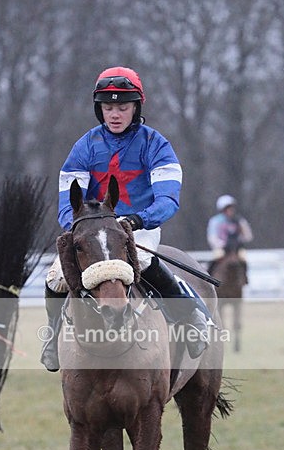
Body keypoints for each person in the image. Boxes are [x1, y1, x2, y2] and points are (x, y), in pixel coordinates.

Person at [41, 65, 209, 371]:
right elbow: (67, 204)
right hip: (93, 231)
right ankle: (52, 336)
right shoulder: (83, 147)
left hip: (138, 227)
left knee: (142, 261)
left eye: (122, 107)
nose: (115, 114)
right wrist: (82, 226)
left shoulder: (156, 144)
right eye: (108, 108)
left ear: (136, 108)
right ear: (99, 110)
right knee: (56, 276)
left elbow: (168, 200)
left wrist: (137, 220)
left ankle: (192, 316)